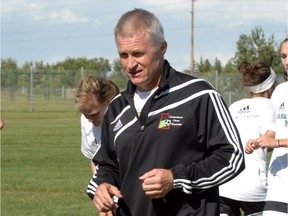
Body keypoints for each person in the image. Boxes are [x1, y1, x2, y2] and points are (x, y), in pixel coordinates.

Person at [86, 9, 245, 216]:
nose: (130, 64)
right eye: (123, 55)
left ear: (162, 48)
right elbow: (107, 165)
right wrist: (102, 186)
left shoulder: (198, 95)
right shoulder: (117, 107)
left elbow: (232, 156)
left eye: (138, 54)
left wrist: (175, 178)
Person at [219, 62, 277, 216]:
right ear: (270, 86)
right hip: (254, 188)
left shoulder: (235, 106)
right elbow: (271, 136)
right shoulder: (271, 106)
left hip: (226, 184)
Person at [245, 37, 288, 215]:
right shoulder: (280, 91)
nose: (287, 61)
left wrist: (276, 143)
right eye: (284, 56)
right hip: (278, 185)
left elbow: (276, 140)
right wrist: (260, 141)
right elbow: (274, 131)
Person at [75, 76, 119, 174]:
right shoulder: (86, 122)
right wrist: (101, 183)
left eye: (95, 114)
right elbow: (95, 160)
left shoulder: (129, 117)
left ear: (110, 101)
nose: (89, 120)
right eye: (85, 114)